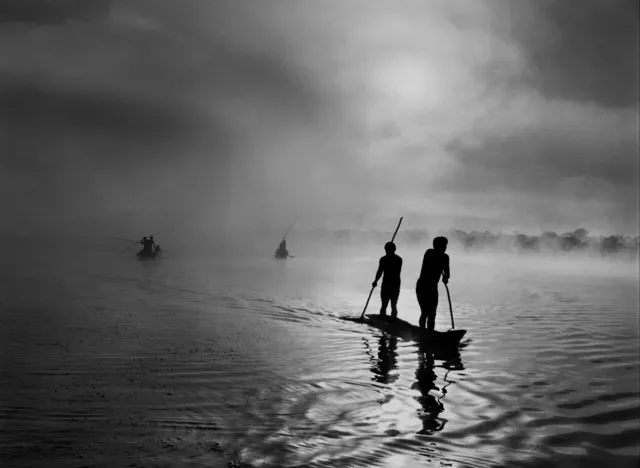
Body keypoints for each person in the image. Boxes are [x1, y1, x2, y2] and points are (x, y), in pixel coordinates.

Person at [416, 236, 450, 331]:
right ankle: (422, 331)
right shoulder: (429, 253)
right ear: (435, 246)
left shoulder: (445, 257)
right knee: (425, 312)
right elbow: (433, 263)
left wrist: (446, 277)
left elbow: (447, 272)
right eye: (442, 246)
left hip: (433, 288)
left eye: (445, 246)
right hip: (422, 286)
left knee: (433, 313)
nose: (444, 248)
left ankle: (430, 332)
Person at [372, 241, 403, 318]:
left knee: (388, 305)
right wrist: (375, 281)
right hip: (393, 284)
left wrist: (375, 281)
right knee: (390, 305)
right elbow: (380, 271)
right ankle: (388, 319)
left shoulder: (386, 259)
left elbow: (380, 271)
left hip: (390, 285)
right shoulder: (398, 259)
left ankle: (390, 320)